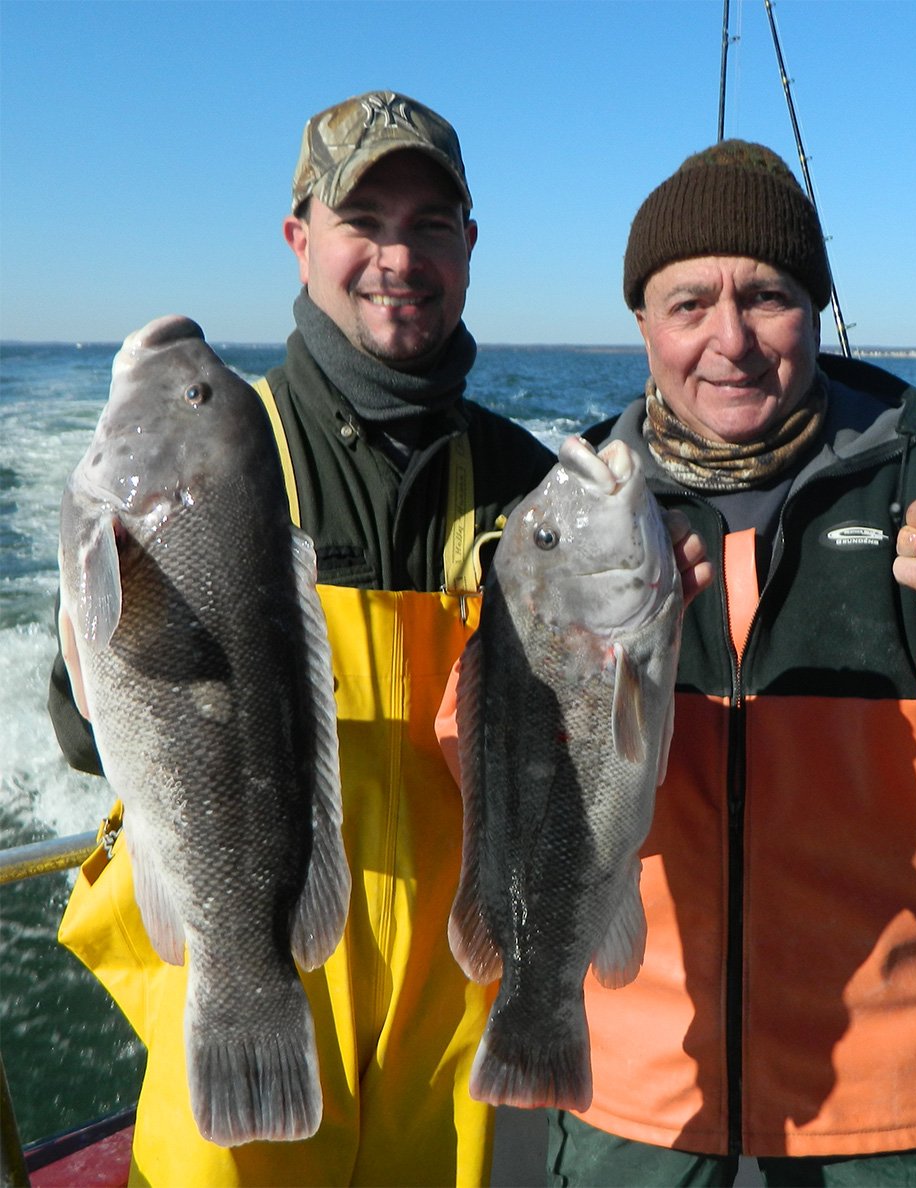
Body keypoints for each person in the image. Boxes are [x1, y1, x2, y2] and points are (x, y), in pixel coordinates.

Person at [47, 89, 560, 1187]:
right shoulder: (228, 443)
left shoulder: (531, 486)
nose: (397, 256)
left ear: (468, 247)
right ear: (300, 239)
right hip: (238, 988)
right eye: (363, 220)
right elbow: (86, 731)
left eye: (430, 223)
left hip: (453, 1044)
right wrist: (94, 595)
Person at [542, 140, 916, 1186]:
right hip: (640, 1080)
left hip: (891, 1086)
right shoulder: (571, 514)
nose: (730, 340)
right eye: (688, 302)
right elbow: (483, 755)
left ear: (819, 309)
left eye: (770, 297)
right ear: (644, 325)